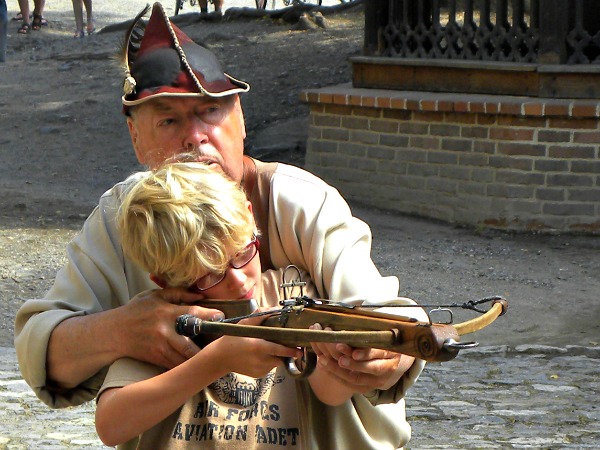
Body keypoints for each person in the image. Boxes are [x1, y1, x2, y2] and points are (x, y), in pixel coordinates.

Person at [14, 2, 426, 443]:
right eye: (169, 119)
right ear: (136, 137)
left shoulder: (299, 201)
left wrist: (377, 355)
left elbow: (383, 321)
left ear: (240, 118)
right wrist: (124, 331)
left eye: (209, 112)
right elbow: (45, 353)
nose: (194, 136)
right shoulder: (123, 219)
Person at [95, 161, 420, 449]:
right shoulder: (159, 319)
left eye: (242, 254)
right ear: (164, 281)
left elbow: (331, 394)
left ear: (250, 217)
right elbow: (111, 425)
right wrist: (217, 359)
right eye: (211, 276)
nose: (237, 280)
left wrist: (341, 357)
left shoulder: (293, 292)